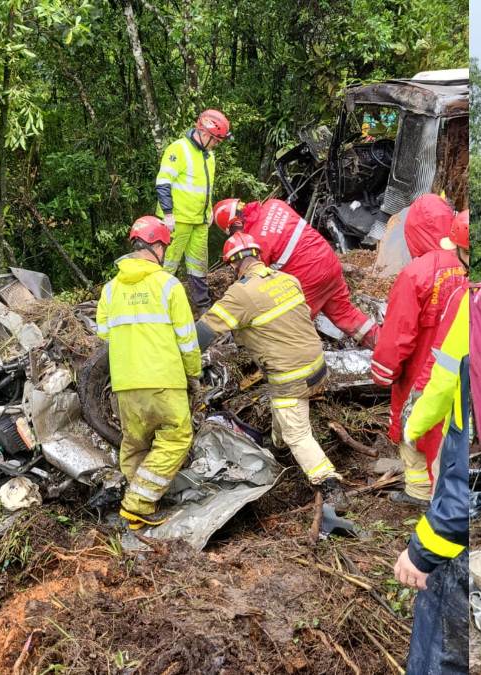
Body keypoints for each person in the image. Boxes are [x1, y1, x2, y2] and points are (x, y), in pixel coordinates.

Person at [196, 232, 347, 507]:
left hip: (290, 376)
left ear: (232, 265)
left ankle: (329, 484)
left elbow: (204, 333)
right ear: (258, 256)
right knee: (286, 417)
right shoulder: (288, 280)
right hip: (318, 366)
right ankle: (277, 449)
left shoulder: (241, 294)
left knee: (297, 434)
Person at [95, 216, 202, 529]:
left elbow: (104, 332)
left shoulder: (111, 290)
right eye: (165, 247)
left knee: (135, 444)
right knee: (176, 437)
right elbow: (186, 337)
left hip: (126, 384)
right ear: (156, 246)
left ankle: (143, 506)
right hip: (163, 380)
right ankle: (138, 505)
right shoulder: (168, 285)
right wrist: (193, 373)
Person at [393, 283, 470, 674]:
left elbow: (441, 379)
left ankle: (417, 493)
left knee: (442, 637)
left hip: (455, 534)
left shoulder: (469, 301)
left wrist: (423, 548)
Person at [371, 195, 467, 505]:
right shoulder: (463, 267)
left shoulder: (415, 274)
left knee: (412, 431)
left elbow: (397, 334)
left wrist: (383, 372)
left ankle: (419, 494)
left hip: (420, 372)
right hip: (457, 371)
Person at [211, 197, 379, 347]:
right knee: (345, 313)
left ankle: (299, 368)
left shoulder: (256, 240)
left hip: (309, 278)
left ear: (234, 224)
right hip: (329, 263)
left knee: (289, 328)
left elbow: (256, 279)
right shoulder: (274, 204)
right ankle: (385, 347)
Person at [155, 109, 231, 310]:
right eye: (216, 140)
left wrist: (209, 210)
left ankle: (202, 305)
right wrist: (168, 214)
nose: (217, 144)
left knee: (198, 265)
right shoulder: (179, 149)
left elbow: (204, 187)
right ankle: (156, 306)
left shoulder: (209, 156)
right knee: (167, 266)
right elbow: (163, 183)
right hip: (177, 221)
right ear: (205, 133)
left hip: (199, 221)